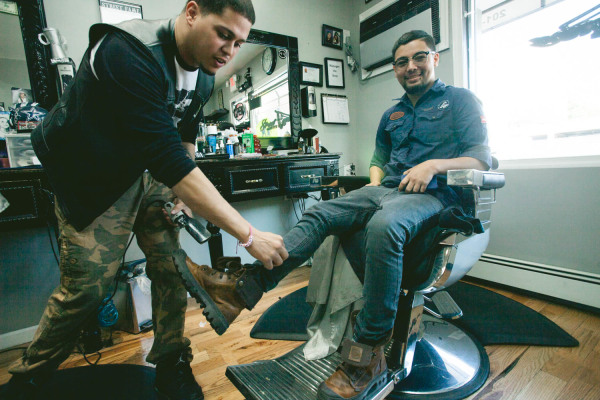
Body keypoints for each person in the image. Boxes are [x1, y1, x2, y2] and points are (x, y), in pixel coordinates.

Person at [177, 30, 492, 400]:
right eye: (402, 62)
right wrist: (374, 186)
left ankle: (367, 354)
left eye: (419, 57)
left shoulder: (461, 101)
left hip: (436, 196)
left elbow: (481, 159)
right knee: (321, 212)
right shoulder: (393, 113)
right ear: (395, 69)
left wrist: (434, 166)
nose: (411, 67)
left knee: (384, 227)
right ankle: (243, 290)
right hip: (388, 190)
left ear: (435, 58)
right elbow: (380, 158)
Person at [1, 1, 288, 400]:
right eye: (223, 33)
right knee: (87, 288)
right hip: (90, 173)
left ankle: (171, 361)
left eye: (239, 42)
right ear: (191, 12)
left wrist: (178, 193)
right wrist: (248, 234)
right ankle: (29, 377)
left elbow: (183, 133)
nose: (229, 50)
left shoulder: (205, 74)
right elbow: (166, 156)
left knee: (170, 266)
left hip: (144, 169)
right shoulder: (126, 51)